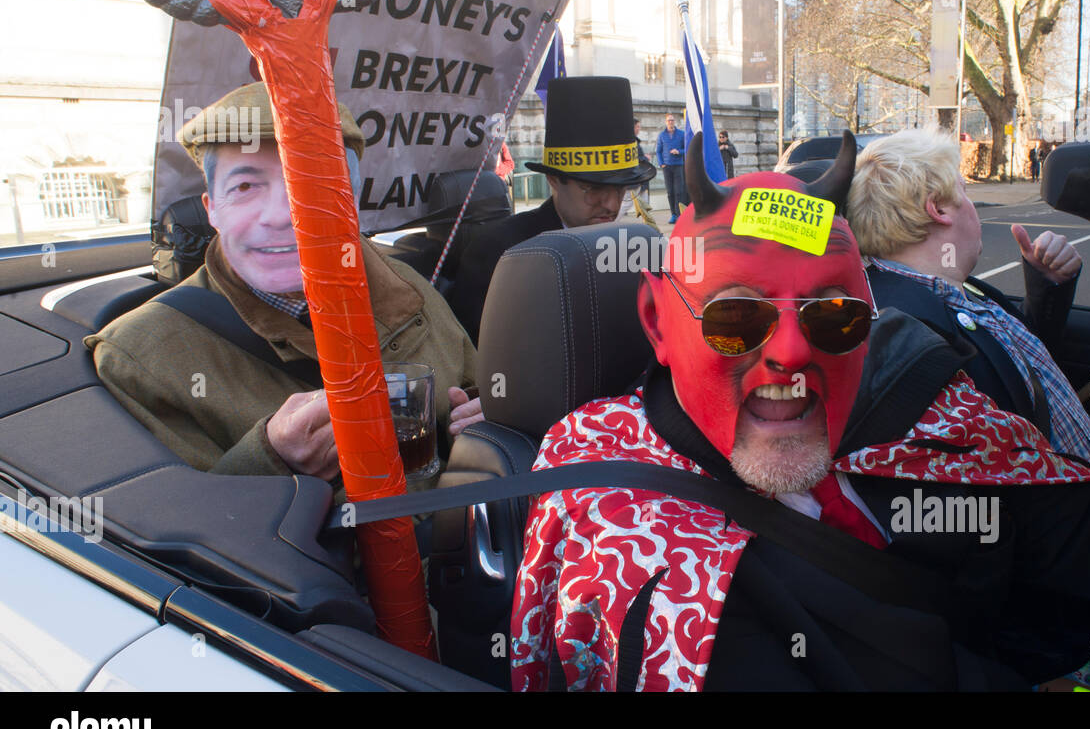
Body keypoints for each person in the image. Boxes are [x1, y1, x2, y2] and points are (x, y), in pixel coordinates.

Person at [509, 132, 1090, 691]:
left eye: (833, 316)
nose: (789, 352)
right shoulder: (633, 544)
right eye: (737, 317)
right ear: (659, 325)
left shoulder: (906, 406)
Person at [86, 82, 482, 482]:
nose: (281, 215)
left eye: (315, 183)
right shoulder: (136, 359)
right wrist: (270, 460)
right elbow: (163, 525)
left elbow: (477, 392)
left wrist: (481, 426)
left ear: (353, 202)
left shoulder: (409, 287)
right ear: (212, 210)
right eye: (245, 187)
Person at [846, 126, 1090, 469]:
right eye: (965, 192)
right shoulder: (905, 332)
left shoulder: (965, 288)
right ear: (939, 208)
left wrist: (1047, 285)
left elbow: (1015, 366)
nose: (971, 205)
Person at [449, 76, 655, 345]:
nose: (612, 205)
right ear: (554, 180)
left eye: (621, 189)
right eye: (592, 188)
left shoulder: (634, 248)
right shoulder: (502, 254)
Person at [657, 112, 686, 222]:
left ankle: (679, 214)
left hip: (678, 166)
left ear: (675, 122)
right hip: (667, 167)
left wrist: (678, 151)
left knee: (679, 191)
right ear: (666, 122)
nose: (671, 122)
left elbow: (687, 148)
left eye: (672, 120)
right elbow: (658, 151)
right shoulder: (662, 135)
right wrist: (661, 163)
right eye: (669, 120)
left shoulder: (681, 134)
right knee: (670, 191)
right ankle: (673, 214)